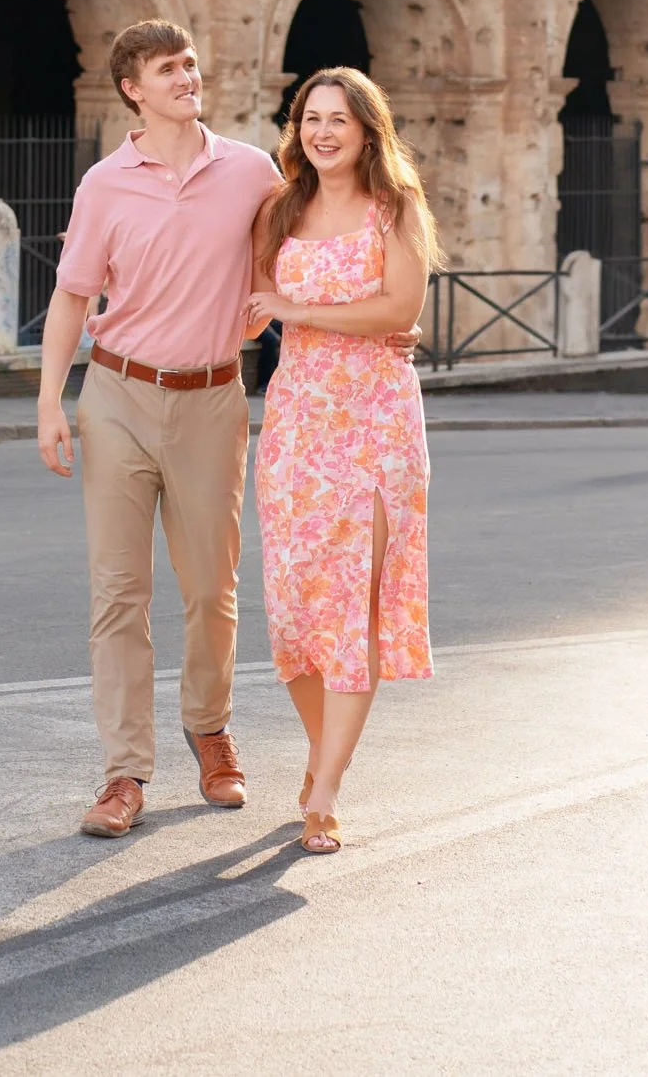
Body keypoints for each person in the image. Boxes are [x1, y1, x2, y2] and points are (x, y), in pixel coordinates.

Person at [36, 19, 280, 839]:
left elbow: (292, 261)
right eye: (168, 68)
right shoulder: (105, 183)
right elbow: (73, 295)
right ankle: (123, 773)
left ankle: (208, 729)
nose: (188, 76)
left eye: (191, 64)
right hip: (116, 398)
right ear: (132, 89)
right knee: (119, 593)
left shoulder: (251, 171)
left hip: (212, 401)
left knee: (212, 587)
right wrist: (46, 403)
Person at [248, 65, 442, 854]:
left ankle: (324, 792)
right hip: (296, 423)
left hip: (374, 426)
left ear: (368, 130)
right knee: (295, 606)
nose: (322, 132)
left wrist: (302, 310)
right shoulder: (278, 208)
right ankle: (320, 752)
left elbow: (400, 307)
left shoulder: (396, 208)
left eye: (338, 119)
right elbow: (248, 304)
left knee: (352, 607)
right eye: (310, 118)